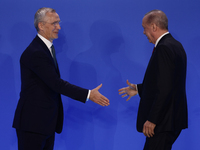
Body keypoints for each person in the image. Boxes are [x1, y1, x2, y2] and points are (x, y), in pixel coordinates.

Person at [12, 7, 110, 150]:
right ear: (41, 25)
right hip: (33, 124)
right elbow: (56, 84)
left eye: (58, 22)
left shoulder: (45, 49)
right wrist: (88, 94)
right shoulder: (36, 52)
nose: (59, 27)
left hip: (44, 124)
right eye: (54, 23)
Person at [119, 10, 187, 150]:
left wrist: (152, 119)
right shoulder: (176, 45)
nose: (144, 32)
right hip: (171, 119)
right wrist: (138, 89)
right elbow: (168, 82)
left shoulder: (163, 48)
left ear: (154, 27)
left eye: (145, 28)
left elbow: (165, 88)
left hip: (163, 121)